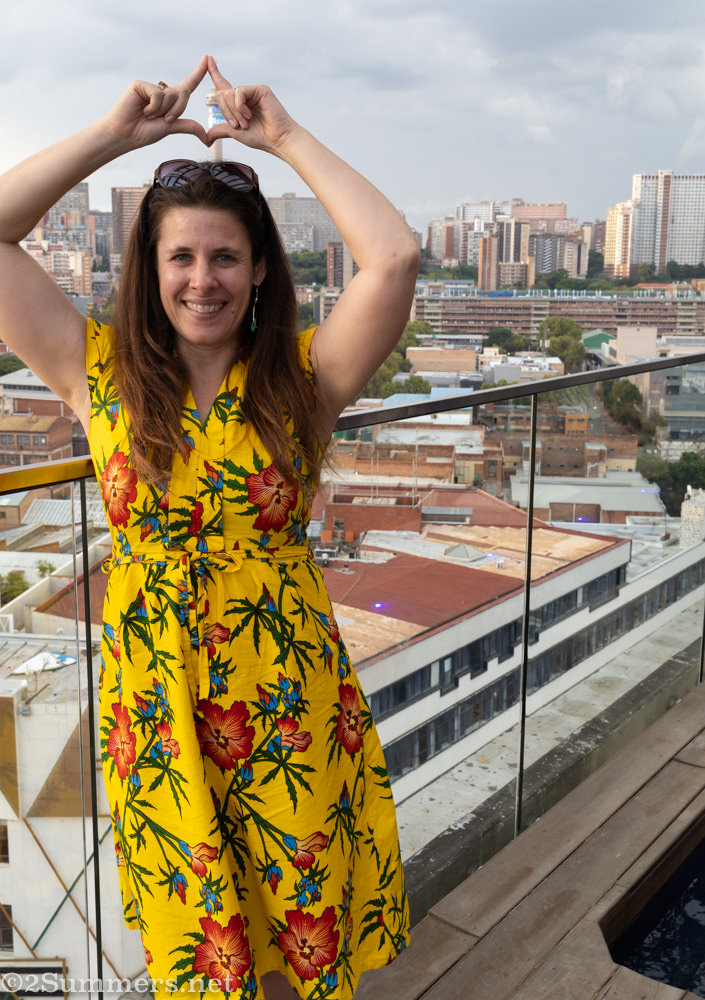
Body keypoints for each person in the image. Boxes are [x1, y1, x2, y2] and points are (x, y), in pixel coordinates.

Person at [0, 55, 419, 999]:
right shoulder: (92, 368)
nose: (202, 279)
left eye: (225, 255)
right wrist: (112, 137)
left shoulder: (305, 378)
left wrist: (285, 138)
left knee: (287, 946)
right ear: (149, 272)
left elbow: (390, 256)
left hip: (283, 704)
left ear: (260, 265)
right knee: (202, 949)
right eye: (180, 257)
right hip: (159, 708)